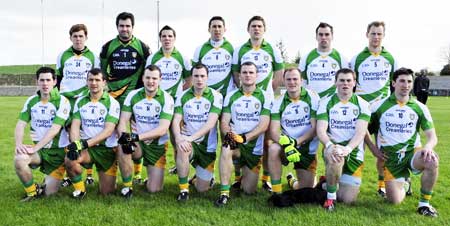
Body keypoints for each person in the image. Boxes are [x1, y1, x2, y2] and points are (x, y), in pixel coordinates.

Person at [366, 68, 439, 217]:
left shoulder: (420, 107)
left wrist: (428, 147)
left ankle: (424, 204)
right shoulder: (378, 106)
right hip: (391, 159)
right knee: (395, 201)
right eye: (402, 81)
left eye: (409, 81)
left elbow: (432, 136)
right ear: (393, 83)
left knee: (432, 160)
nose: (406, 85)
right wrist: (373, 148)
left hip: (413, 153)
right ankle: (405, 183)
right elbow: (363, 130)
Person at [232, 15, 285, 191]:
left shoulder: (273, 50)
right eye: (253, 26)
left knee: (267, 142)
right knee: (237, 139)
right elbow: (235, 74)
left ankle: (266, 179)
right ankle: (238, 177)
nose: (256, 29)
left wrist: (266, 93)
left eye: (259, 26)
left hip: (266, 102)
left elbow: (278, 75)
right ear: (248, 29)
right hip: (244, 100)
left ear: (264, 29)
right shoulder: (240, 49)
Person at [100, 12, 151, 183]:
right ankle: (113, 169)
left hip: (136, 99)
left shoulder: (142, 48)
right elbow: (102, 71)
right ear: (117, 27)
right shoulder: (108, 47)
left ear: (132, 27)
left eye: (128, 25)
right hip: (114, 99)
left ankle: (137, 173)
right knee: (114, 134)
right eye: (122, 25)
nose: (125, 29)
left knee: (136, 133)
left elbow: (147, 72)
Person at [350, 21, 398, 196]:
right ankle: (353, 183)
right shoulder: (356, 59)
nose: (376, 37)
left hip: (382, 112)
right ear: (367, 34)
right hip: (362, 112)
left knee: (383, 150)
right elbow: (351, 84)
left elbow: (396, 85)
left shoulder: (391, 59)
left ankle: (382, 185)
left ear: (383, 36)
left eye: (379, 34)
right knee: (357, 148)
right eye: (373, 33)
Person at [215, 62, 271, 207]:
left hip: (253, 147)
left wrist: (245, 137)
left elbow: (264, 125)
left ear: (256, 75)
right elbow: (224, 123)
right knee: (226, 147)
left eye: (251, 72)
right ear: (239, 75)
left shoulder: (265, 96)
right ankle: (224, 193)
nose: (247, 75)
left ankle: (241, 178)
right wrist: (231, 135)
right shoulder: (231, 96)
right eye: (244, 72)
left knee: (248, 190)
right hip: (235, 141)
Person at [316, 68, 370, 211]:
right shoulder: (326, 102)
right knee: (336, 156)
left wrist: (348, 149)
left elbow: (360, 132)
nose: (345, 84)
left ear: (354, 83)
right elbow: (321, 130)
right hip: (333, 147)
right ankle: (330, 200)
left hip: (353, 151)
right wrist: (329, 145)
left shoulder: (363, 104)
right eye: (341, 80)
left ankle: (326, 183)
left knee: (347, 199)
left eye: (348, 80)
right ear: (336, 83)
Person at [116, 65, 174, 197]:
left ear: (160, 79)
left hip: (156, 146)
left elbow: (162, 129)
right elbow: (123, 120)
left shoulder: (167, 99)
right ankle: (127, 187)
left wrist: (134, 137)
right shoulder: (133, 95)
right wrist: (125, 136)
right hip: (139, 145)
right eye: (148, 77)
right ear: (143, 78)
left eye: (154, 78)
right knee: (122, 146)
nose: (151, 81)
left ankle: (148, 174)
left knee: (154, 190)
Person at [14, 67, 71, 201]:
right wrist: (18, 144)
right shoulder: (31, 101)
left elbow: (55, 129)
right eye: (42, 80)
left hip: (57, 154)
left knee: (49, 194)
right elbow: (20, 124)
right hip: (39, 151)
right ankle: (32, 192)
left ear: (55, 81)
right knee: (19, 159)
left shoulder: (63, 102)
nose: (45, 83)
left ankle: (44, 186)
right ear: (37, 82)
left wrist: (35, 148)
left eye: (48, 80)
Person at [64, 68, 120, 198]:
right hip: (87, 150)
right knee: (70, 159)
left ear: (104, 83)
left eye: (97, 80)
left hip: (106, 150)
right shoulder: (80, 100)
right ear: (87, 82)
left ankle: (110, 179)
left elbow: (108, 130)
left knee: (107, 193)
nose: (94, 83)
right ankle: (80, 190)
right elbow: (75, 125)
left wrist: (84, 144)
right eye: (90, 80)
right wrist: (75, 144)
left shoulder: (113, 103)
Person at [56, 23, 100, 186]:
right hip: (67, 100)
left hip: (84, 100)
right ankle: (68, 173)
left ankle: (88, 173)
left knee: (86, 132)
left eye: (81, 36)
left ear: (86, 37)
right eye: (75, 36)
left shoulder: (93, 57)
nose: (78, 39)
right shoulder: (62, 55)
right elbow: (58, 79)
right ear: (70, 38)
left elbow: (97, 78)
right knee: (67, 134)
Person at [172, 63, 223, 202]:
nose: (199, 79)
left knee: (202, 189)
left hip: (208, 148)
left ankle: (198, 179)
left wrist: (189, 138)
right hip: (189, 144)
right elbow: (176, 120)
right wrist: (178, 138)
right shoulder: (182, 96)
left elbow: (210, 123)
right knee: (182, 149)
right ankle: (184, 190)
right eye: (196, 76)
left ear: (207, 78)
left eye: (202, 76)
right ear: (192, 77)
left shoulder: (216, 96)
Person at [268, 68, 320, 197]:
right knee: (273, 149)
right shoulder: (277, 102)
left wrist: (295, 142)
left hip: (307, 148)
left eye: (295, 79)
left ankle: (292, 180)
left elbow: (315, 129)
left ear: (301, 81)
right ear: (284, 82)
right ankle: (276, 191)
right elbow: (274, 131)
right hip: (286, 147)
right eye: (288, 79)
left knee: (305, 190)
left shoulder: (313, 97)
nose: (292, 82)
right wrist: (287, 145)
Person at [298, 22, 349, 98]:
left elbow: (347, 83)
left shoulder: (341, 58)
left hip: (334, 103)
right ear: (316, 37)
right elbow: (302, 83)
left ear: (332, 37)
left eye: (327, 34)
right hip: (312, 102)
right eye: (320, 34)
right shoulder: (306, 58)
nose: (323, 37)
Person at [192, 16, 235, 96]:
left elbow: (236, 73)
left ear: (225, 29)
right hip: (206, 96)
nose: (217, 29)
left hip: (227, 94)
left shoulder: (232, 48)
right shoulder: (199, 49)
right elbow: (194, 75)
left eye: (219, 26)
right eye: (214, 26)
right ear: (209, 29)